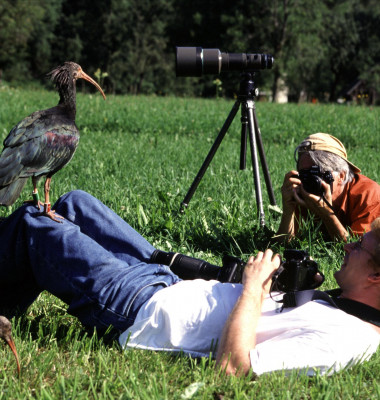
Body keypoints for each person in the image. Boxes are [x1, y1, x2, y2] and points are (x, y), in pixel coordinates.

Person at [1, 190, 379, 377]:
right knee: (73, 203)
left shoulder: (349, 338)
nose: (348, 243)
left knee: (35, 222)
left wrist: (253, 289)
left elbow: (235, 368)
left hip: (140, 309)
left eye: (359, 246)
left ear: (376, 277)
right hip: (166, 283)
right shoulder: (342, 304)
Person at [276, 133, 380, 242]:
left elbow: (358, 249)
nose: (313, 181)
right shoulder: (304, 187)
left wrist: (326, 214)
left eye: (320, 174)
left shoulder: (369, 196)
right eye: (305, 173)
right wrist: (288, 209)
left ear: (341, 175)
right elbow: (284, 243)